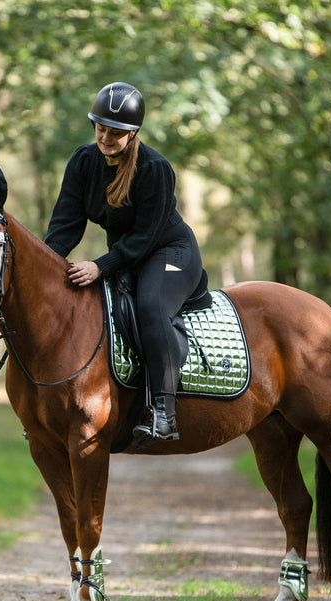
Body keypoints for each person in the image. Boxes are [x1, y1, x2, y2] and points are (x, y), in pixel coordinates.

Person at [44, 82, 206, 446]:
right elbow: (66, 223)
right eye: (100, 129)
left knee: (151, 305)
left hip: (170, 253)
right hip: (126, 255)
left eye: (115, 133)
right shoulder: (83, 162)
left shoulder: (155, 168)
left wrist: (100, 266)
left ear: (132, 133)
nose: (105, 138)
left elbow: (145, 237)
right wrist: (47, 265)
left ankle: (164, 414)